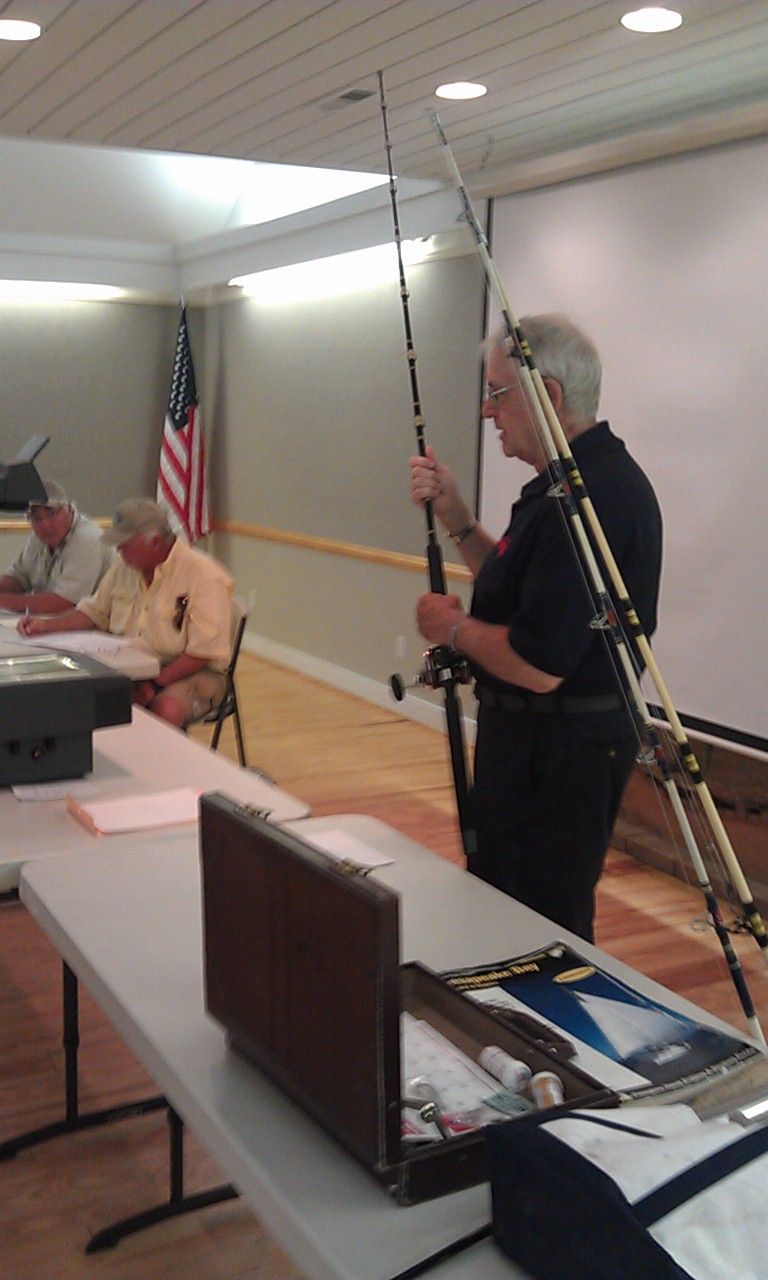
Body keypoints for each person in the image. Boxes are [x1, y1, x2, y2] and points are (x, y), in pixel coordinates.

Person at [410, 314, 662, 942]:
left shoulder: (591, 498)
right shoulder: (564, 486)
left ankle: (543, 1010)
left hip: (559, 758)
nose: (487, 411)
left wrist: (451, 628)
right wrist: (457, 517)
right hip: (534, 749)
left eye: (496, 393)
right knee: (500, 901)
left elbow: (539, 663)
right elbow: (520, 593)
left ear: (547, 394)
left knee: (541, 923)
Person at [19, 497, 233, 729]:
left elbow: (202, 653)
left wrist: (155, 683)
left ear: (155, 540)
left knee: (165, 710)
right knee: (75, 697)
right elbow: (93, 611)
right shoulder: (124, 568)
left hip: (190, 671)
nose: (118, 549)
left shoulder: (204, 576)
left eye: (125, 543)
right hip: (132, 666)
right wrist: (45, 626)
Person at [0, 480, 114, 613]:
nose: (45, 525)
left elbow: (65, 602)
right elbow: (19, 577)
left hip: (107, 622)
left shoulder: (88, 538)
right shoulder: (38, 539)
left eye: (51, 514)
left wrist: (4, 600)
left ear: (69, 509)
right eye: (36, 518)